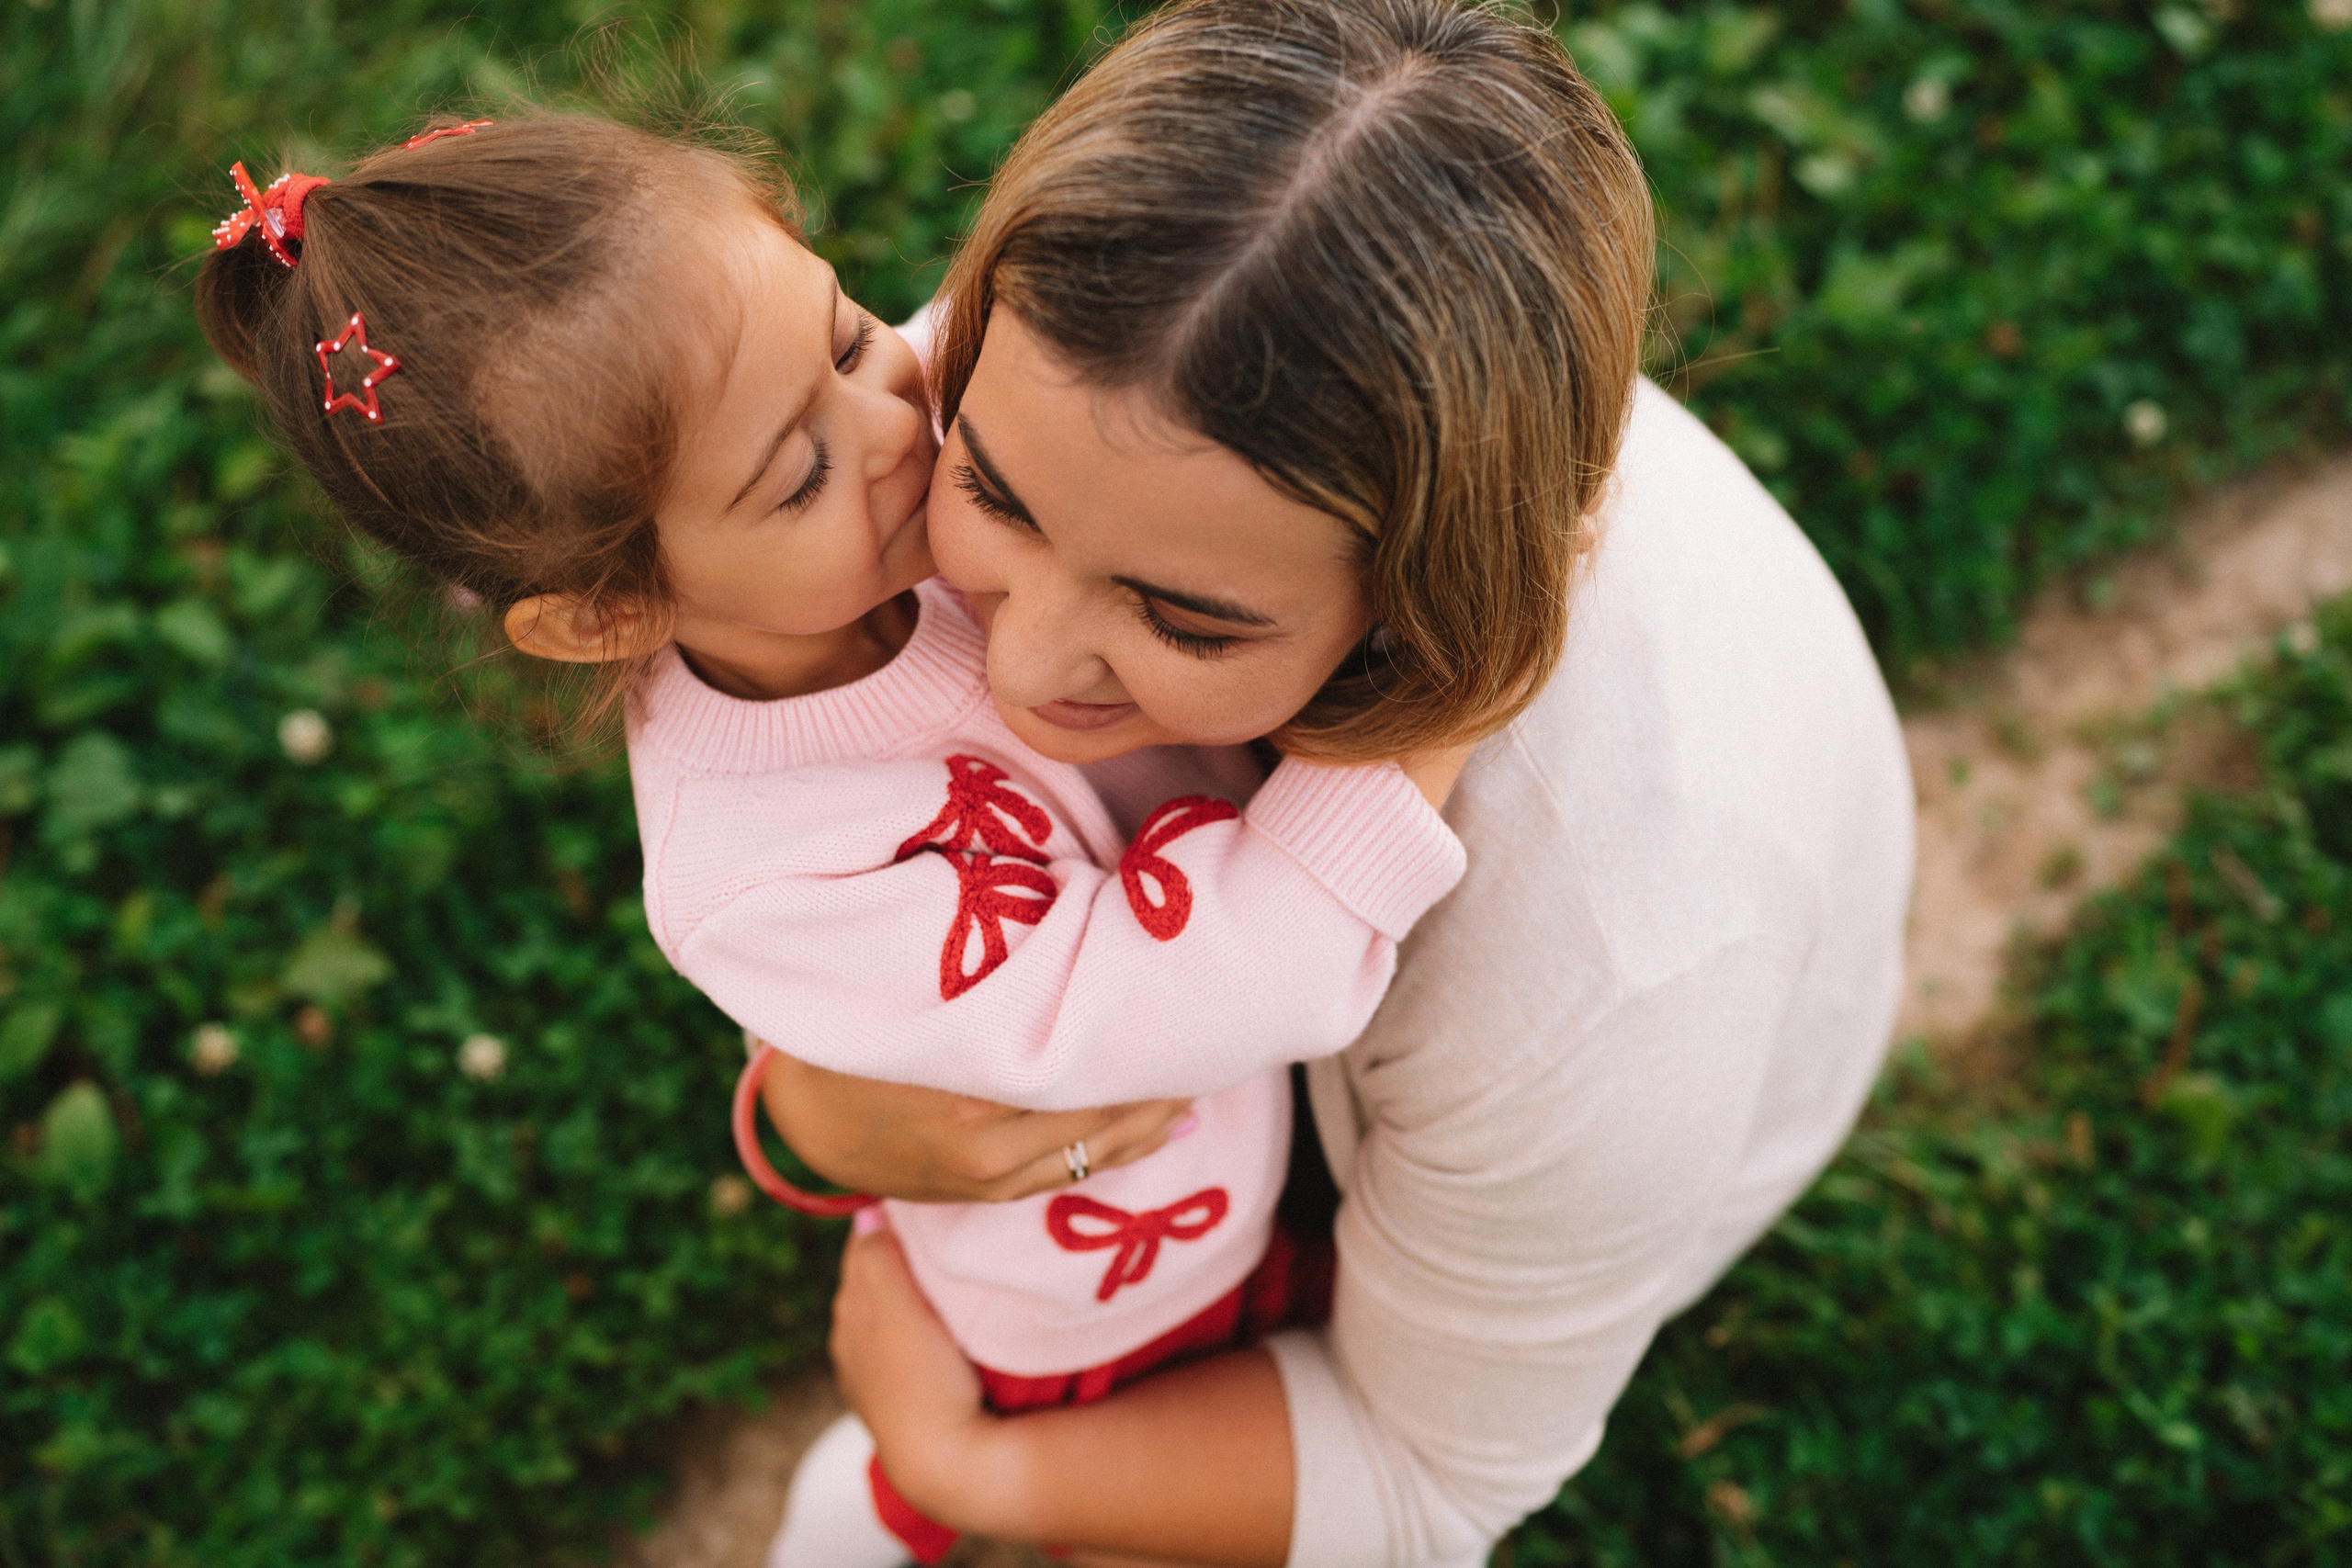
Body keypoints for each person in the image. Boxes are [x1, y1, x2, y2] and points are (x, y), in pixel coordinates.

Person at [192, 108, 1479, 1568]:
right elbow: (1160, 1004)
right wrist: (1432, 724)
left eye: (854, 336)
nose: (898, 433)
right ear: (610, 613)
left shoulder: (882, 484)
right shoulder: (758, 873)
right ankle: (870, 1515)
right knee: (1121, 1512)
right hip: (1094, 1291)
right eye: (795, 475)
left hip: (1244, 1171)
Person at [763, 3, 1916, 1564]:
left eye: (1188, 618)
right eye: (995, 495)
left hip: (1428, 1170)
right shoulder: (1082, 360)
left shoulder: (1624, 952)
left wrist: (962, 1469)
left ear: (1436, 591)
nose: (1023, 671)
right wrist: (817, 1103)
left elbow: (1419, 1478)